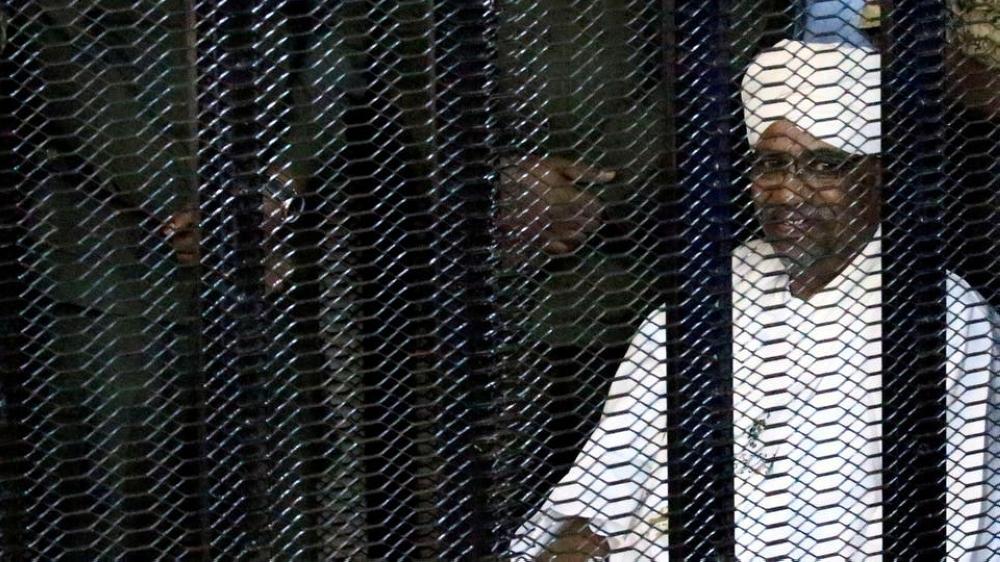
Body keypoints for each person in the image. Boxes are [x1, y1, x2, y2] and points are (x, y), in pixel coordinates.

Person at [509, 40, 1000, 561]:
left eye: (825, 166)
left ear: (878, 177)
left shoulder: (940, 318)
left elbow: (954, 531)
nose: (786, 192)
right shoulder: (715, 289)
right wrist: (576, 537)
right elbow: (608, 471)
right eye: (770, 165)